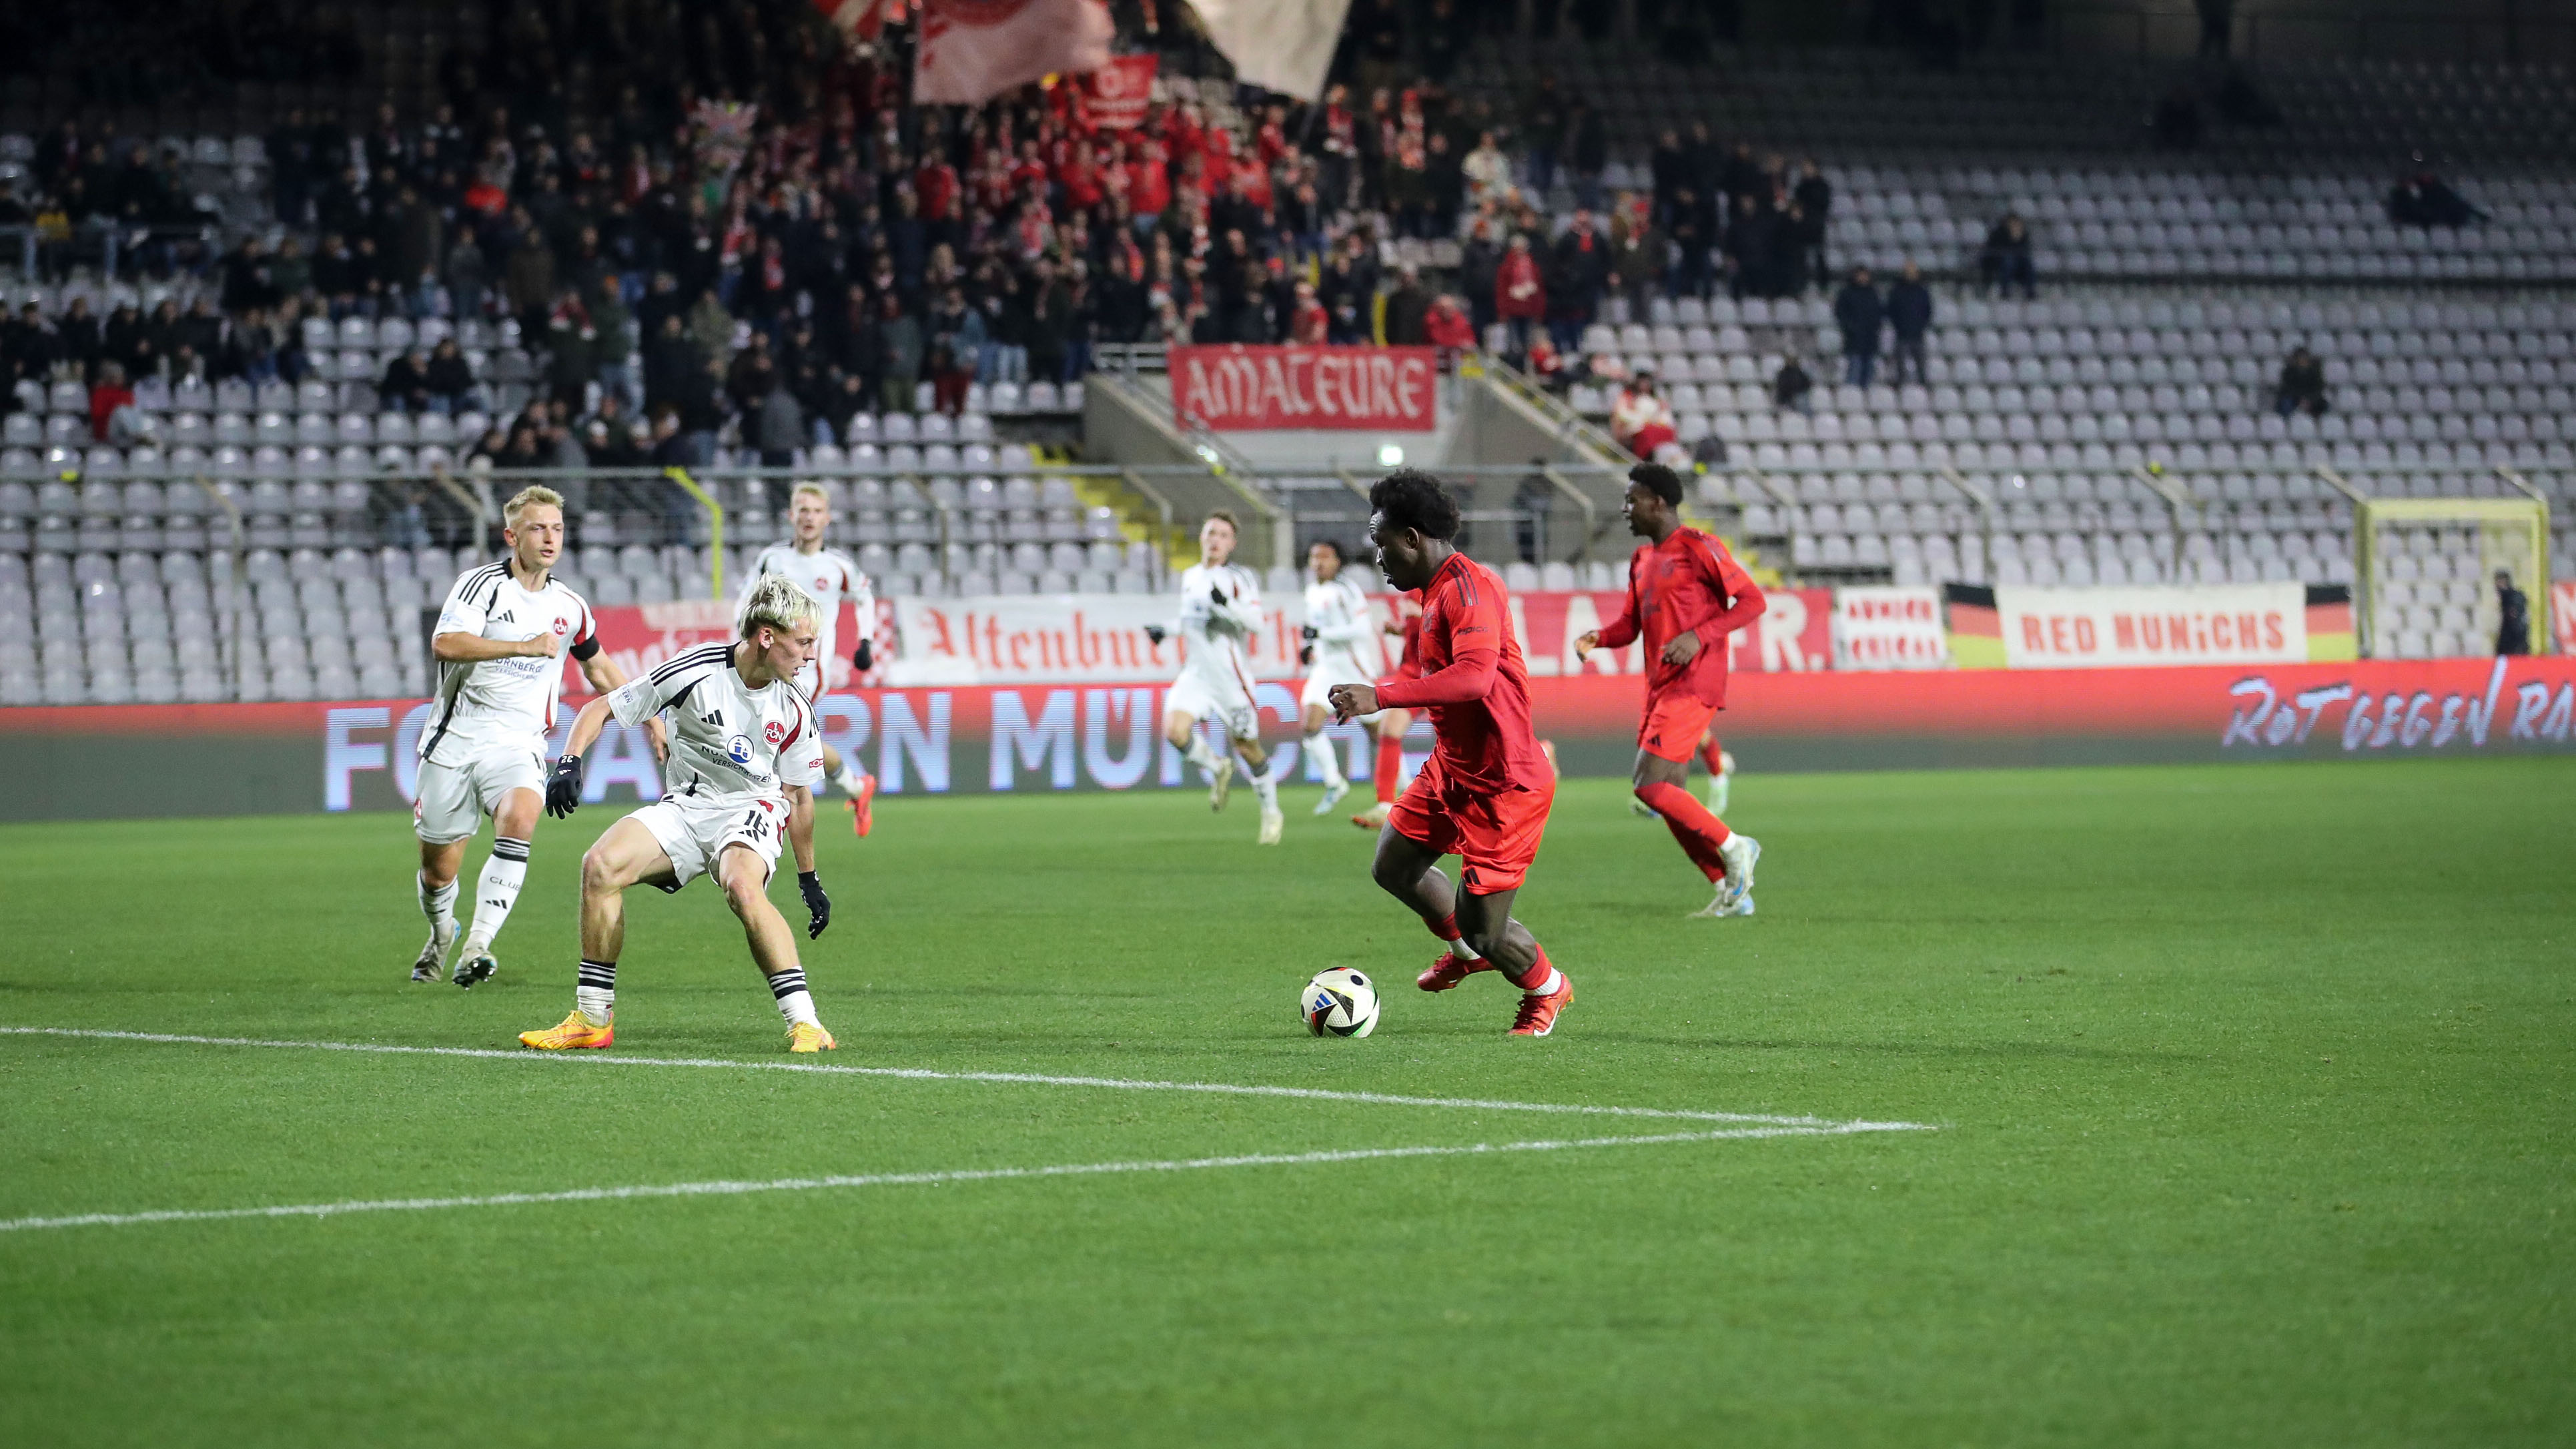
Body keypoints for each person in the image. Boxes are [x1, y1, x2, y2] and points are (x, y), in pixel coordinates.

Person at [520, 576, 840, 1054]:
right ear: (767, 636)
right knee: (599, 865)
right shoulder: (695, 670)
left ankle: (807, 1024)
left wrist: (809, 879)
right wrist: (568, 761)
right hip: (687, 807)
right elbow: (602, 706)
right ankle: (592, 1019)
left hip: (751, 807)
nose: (812, 654)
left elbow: (797, 795)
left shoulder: (793, 705)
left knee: (741, 885)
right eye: (805, 642)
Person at [1329, 470, 1573, 1037]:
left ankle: (1546, 989)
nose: (1378, 558)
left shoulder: (1470, 589)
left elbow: (1474, 679)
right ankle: (1467, 951)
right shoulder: (1433, 593)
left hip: (1503, 783)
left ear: (1412, 538)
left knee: (1488, 927)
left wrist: (1380, 695)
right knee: (1393, 865)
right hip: (1453, 770)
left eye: (1381, 544)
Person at [412, 486, 657, 988]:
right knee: (439, 871)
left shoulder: (570, 606)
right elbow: (444, 643)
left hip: (519, 741)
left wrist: (649, 714)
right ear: (512, 536)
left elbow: (599, 667)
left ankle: (478, 945)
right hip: (455, 739)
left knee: (523, 814)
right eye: (537, 528)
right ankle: (441, 935)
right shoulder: (481, 586)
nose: (549, 538)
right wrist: (521, 645)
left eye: (557, 529)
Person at [1575, 464, 1767, 918]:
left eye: (1631, 500)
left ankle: (1737, 846)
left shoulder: (1700, 547)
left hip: (1695, 683)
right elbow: (1629, 626)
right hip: (1658, 688)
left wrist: (1699, 635)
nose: (1624, 509)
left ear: (1658, 503)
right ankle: (1730, 890)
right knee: (1672, 796)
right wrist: (1598, 637)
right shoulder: (1641, 560)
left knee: (1648, 786)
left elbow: (1753, 601)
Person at [734, 483, 881, 835]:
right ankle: (857, 787)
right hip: (768, 664)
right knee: (794, 742)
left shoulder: (837, 566)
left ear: (827, 518)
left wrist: (865, 641)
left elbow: (865, 598)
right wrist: (740, 641)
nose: (809, 517)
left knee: (778, 741)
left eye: (816, 511)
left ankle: (769, 827)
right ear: (791, 516)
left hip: (808, 671)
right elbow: (745, 599)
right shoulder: (773, 559)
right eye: (803, 510)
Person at [1146, 512, 1285, 845]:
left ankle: (1271, 812)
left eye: (1223, 535)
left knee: (1248, 748)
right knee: (1174, 731)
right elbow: (1190, 619)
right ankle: (1218, 766)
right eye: (1211, 533)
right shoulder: (1191, 576)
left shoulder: (1239, 579)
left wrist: (1226, 606)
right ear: (1201, 538)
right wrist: (1165, 630)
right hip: (1196, 674)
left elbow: (1256, 623)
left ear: (1232, 544)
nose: (1215, 540)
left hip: (1229, 680)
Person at [1296, 540, 1385, 819]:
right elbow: (1316, 631)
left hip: (1352, 668)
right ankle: (1335, 783)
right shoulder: (1312, 591)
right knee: (1309, 724)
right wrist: (1311, 649)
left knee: (1379, 736)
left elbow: (1360, 630)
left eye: (1325, 557)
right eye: (1314, 557)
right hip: (1325, 669)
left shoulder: (1347, 590)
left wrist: (1320, 635)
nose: (1318, 562)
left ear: (1338, 561)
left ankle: (1404, 786)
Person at [1352, 588, 1423, 833]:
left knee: (1473, 739)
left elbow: (1456, 628)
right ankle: (1385, 805)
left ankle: (1540, 752)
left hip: (1446, 673)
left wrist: (1424, 615)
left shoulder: (1448, 585)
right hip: (1413, 673)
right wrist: (1403, 629)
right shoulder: (1415, 588)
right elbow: (1420, 634)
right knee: (1389, 729)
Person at [1609, 370, 1679, 460]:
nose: (1645, 385)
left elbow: (1662, 415)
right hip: (1634, 428)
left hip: (1652, 425)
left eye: (1647, 382)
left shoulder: (1656, 399)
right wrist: (1642, 420)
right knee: (1647, 432)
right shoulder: (1627, 397)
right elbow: (1622, 414)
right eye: (1642, 382)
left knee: (1667, 431)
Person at [1834, 266, 1885, 388]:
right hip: (1854, 340)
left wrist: (1875, 327)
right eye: (1860, 275)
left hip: (1870, 340)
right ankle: (1851, 399)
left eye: (1865, 275)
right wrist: (1851, 328)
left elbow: (1879, 313)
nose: (1863, 278)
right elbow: (1841, 313)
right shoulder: (1847, 293)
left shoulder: (1873, 293)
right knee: (1854, 370)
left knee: (1869, 374)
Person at [1887, 262, 1933, 388]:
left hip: (1918, 334)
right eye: (1908, 272)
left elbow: (1927, 311)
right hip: (1902, 334)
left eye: (1913, 272)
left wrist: (1921, 325)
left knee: (1921, 366)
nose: (1911, 275)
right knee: (1900, 365)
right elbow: (1891, 310)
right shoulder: (1897, 291)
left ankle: (1924, 389)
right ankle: (1902, 390)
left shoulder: (1922, 291)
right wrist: (1899, 326)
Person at [1981, 213, 2036, 298]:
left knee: (2028, 263)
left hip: (2017, 260)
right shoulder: (1999, 232)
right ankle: (2005, 290)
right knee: (2008, 262)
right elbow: (1996, 248)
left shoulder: (2023, 233)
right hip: (1997, 259)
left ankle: (2030, 290)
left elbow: (2024, 249)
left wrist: (2017, 239)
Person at [2275, 348, 2328, 418]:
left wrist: (2309, 399)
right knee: (2286, 403)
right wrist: (2300, 399)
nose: (2303, 360)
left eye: (2305, 358)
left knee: (2323, 405)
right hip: (2294, 398)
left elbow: (2318, 389)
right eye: (2300, 358)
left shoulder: (2314, 373)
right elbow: (2287, 388)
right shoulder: (2289, 372)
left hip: (2310, 399)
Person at [2496, 570, 2531, 655]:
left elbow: (2518, 622)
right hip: (2508, 643)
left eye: (2501, 582)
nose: (2499, 586)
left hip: (2515, 644)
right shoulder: (2502, 599)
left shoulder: (2514, 598)